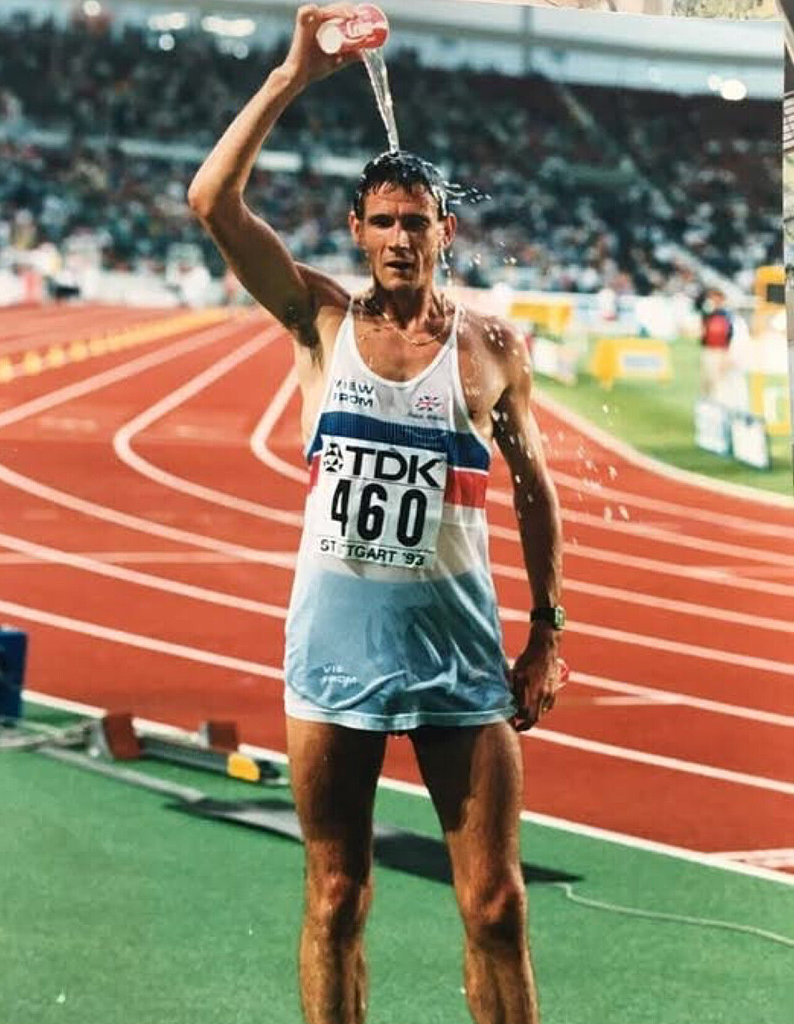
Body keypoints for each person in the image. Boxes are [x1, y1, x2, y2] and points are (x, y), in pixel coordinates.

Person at [188, 6, 565, 1023]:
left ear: (447, 231)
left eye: (418, 221)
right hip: (334, 654)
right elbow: (211, 201)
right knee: (336, 896)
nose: (402, 238)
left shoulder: (491, 348)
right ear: (357, 231)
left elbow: (535, 488)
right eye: (384, 222)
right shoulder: (318, 320)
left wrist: (546, 630)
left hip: (458, 659)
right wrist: (288, 76)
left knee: (495, 906)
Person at [697, 287, 734, 400]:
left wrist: (727, 352)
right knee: (707, 377)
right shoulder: (708, 312)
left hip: (721, 350)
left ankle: (716, 399)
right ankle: (706, 398)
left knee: (718, 378)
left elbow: (730, 334)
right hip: (709, 349)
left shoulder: (726, 314)